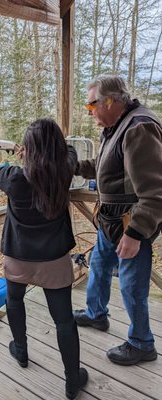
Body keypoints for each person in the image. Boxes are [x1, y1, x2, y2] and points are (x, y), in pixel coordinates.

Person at [0, 118, 88, 399]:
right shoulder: (64, 170)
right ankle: (72, 379)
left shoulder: (14, 176)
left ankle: (21, 351)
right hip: (54, 260)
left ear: (27, 148)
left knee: (14, 302)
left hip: (19, 257)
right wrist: (51, 147)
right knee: (64, 320)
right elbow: (70, 154)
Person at [74, 75, 162, 366]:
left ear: (110, 101)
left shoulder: (140, 128)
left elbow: (155, 192)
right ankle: (96, 314)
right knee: (98, 269)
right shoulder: (115, 128)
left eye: (92, 105)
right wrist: (70, 166)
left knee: (131, 286)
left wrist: (135, 234)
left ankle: (142, 343)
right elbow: (102, 168)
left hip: (129, 224)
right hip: (109, 223)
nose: (90, 112)